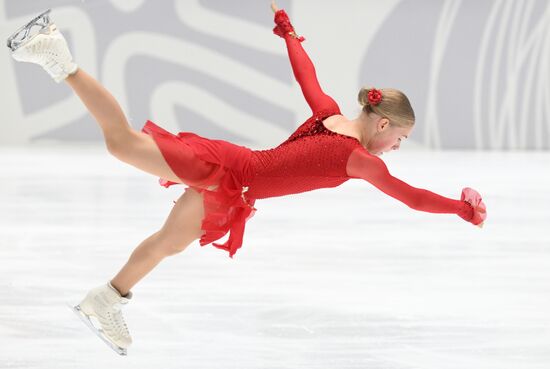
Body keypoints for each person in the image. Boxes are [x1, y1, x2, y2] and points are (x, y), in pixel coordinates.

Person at [7, 1, 487, 355]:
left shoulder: (331, 116)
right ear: (382, 123)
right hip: (231, 169)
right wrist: (461, 209)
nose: (396, 148)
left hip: (233, 189)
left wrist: (289, 34)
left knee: (168, 242)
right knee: (123, 143)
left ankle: (105, 299)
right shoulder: (359, 158)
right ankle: (56, 55)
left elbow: (308, 77)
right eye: (399, 138)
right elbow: (412, 198)